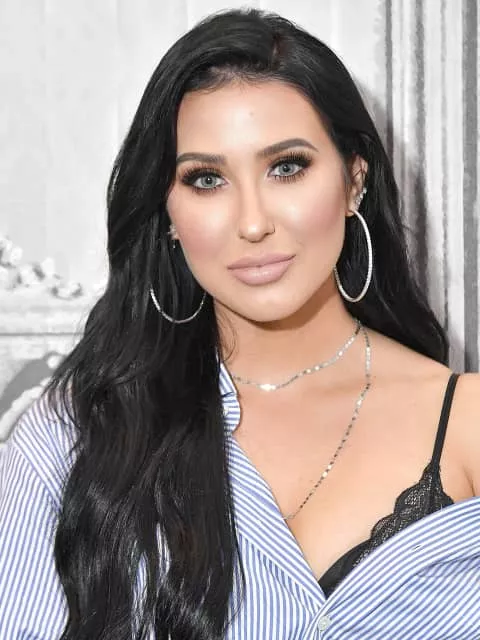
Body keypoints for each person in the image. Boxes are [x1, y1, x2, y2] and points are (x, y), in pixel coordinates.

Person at [0, 7, 479, 639]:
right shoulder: (74, 436)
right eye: (206, 179)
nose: (253, 223)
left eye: (287, 167)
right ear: (168, 213)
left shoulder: (466, 423)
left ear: (354, 180)